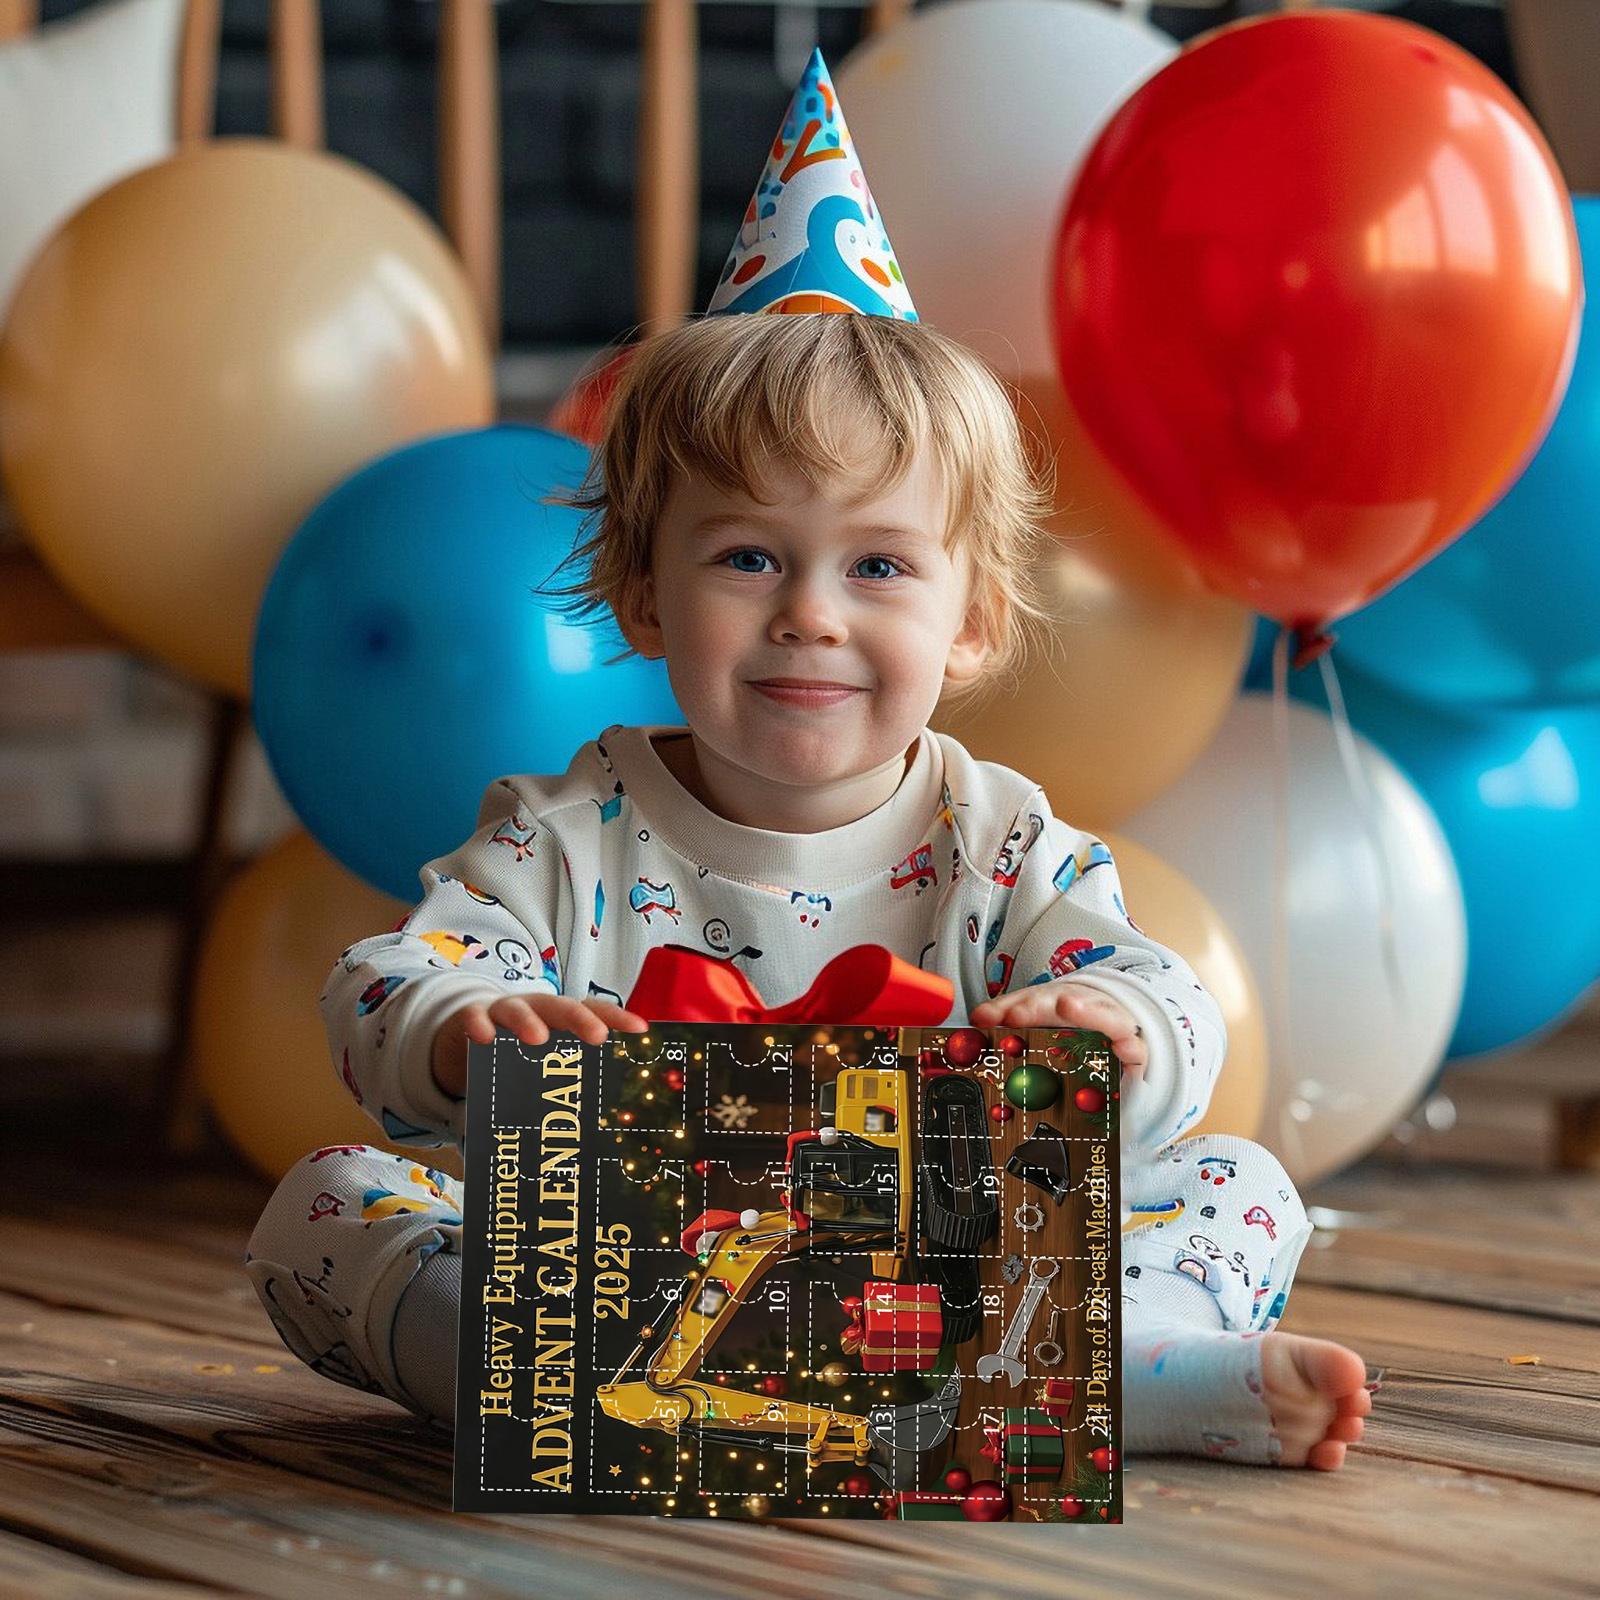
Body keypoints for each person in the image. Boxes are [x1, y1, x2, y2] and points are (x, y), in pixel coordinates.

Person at [245, 49, 1369, 1476]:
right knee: (329, 1204)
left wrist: (1112, 1026)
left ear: (973, 621)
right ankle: (562, 1379)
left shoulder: (1000, 841)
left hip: (941, 1295)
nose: (812, 615)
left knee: (1237, 1181)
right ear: (644, 595)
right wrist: (468, 1026)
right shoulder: (562, 834)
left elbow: (1174, 1011)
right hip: (630, 1298)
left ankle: (1126, 1369)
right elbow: (380, 985)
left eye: (879, 565)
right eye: (747, 556)